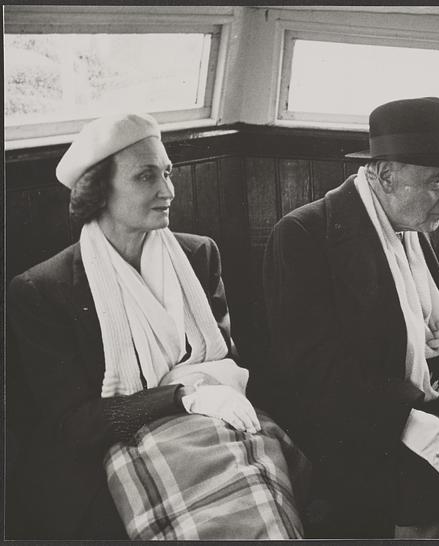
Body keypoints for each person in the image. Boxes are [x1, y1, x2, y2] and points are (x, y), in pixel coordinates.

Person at [7, 113, 309, 540]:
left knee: (261, 509)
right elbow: (74, 426)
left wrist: (202, 398)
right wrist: (182, 395)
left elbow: (228, 363)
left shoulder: (199, 255)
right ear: (98, 190)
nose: (167, 190)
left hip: (209, 428)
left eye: (167, 173)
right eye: (146, 177)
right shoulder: (42, 290)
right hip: (105, 455)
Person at [256, 97, 439, 538]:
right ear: (383, 175)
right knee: (430, 477)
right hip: (341, 427)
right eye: (438, 182)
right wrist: (405, 420)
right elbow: (309, 370)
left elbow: (414, 341)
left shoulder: (411, 232)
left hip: (409, 408)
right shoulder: (303, 234)